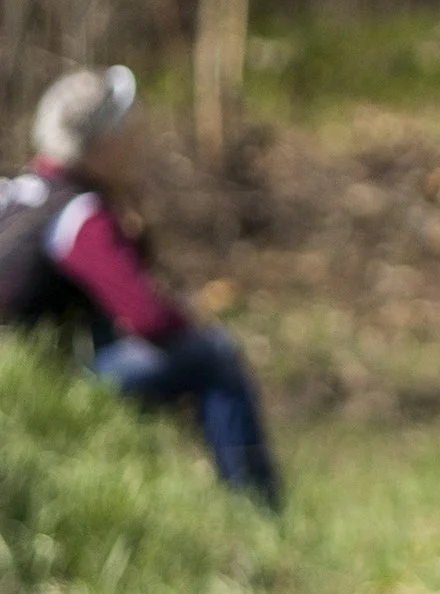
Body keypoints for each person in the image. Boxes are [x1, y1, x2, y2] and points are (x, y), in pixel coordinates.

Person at [0, 66, 284, 508]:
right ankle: (257, 510)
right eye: (125, 132)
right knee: (214, 354)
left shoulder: (16, 193)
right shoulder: (79, 215)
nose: (137, 142)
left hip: (22, 374)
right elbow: (148, 319)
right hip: (49, 382)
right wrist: (187, 314)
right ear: (99, 147)